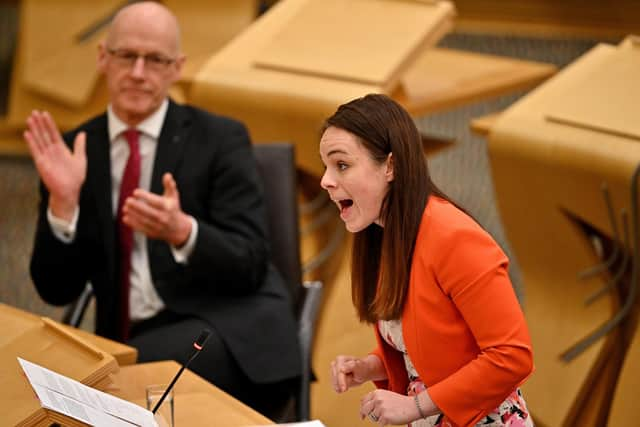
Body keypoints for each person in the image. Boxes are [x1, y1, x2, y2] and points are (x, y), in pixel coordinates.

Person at [25, 1, 300, 418]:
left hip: (227, 330)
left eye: (155, 59)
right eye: (126, 56)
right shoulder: (76, 148)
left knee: (110, 385)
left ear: (177, 67)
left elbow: (250, 263)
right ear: (103, 57)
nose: (138, 72)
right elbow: (55, 290)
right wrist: (63, 206)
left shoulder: (221, 138)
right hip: (128, 340)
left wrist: (183, 232)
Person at [321, 94, 534, 427]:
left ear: (390, 166)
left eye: (342, 165)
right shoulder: (385, 234)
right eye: (326, 166)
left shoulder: (454, 237)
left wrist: (414, 405)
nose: (325, 180)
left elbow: (512, 357)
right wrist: (369, 367)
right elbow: (429, 346)